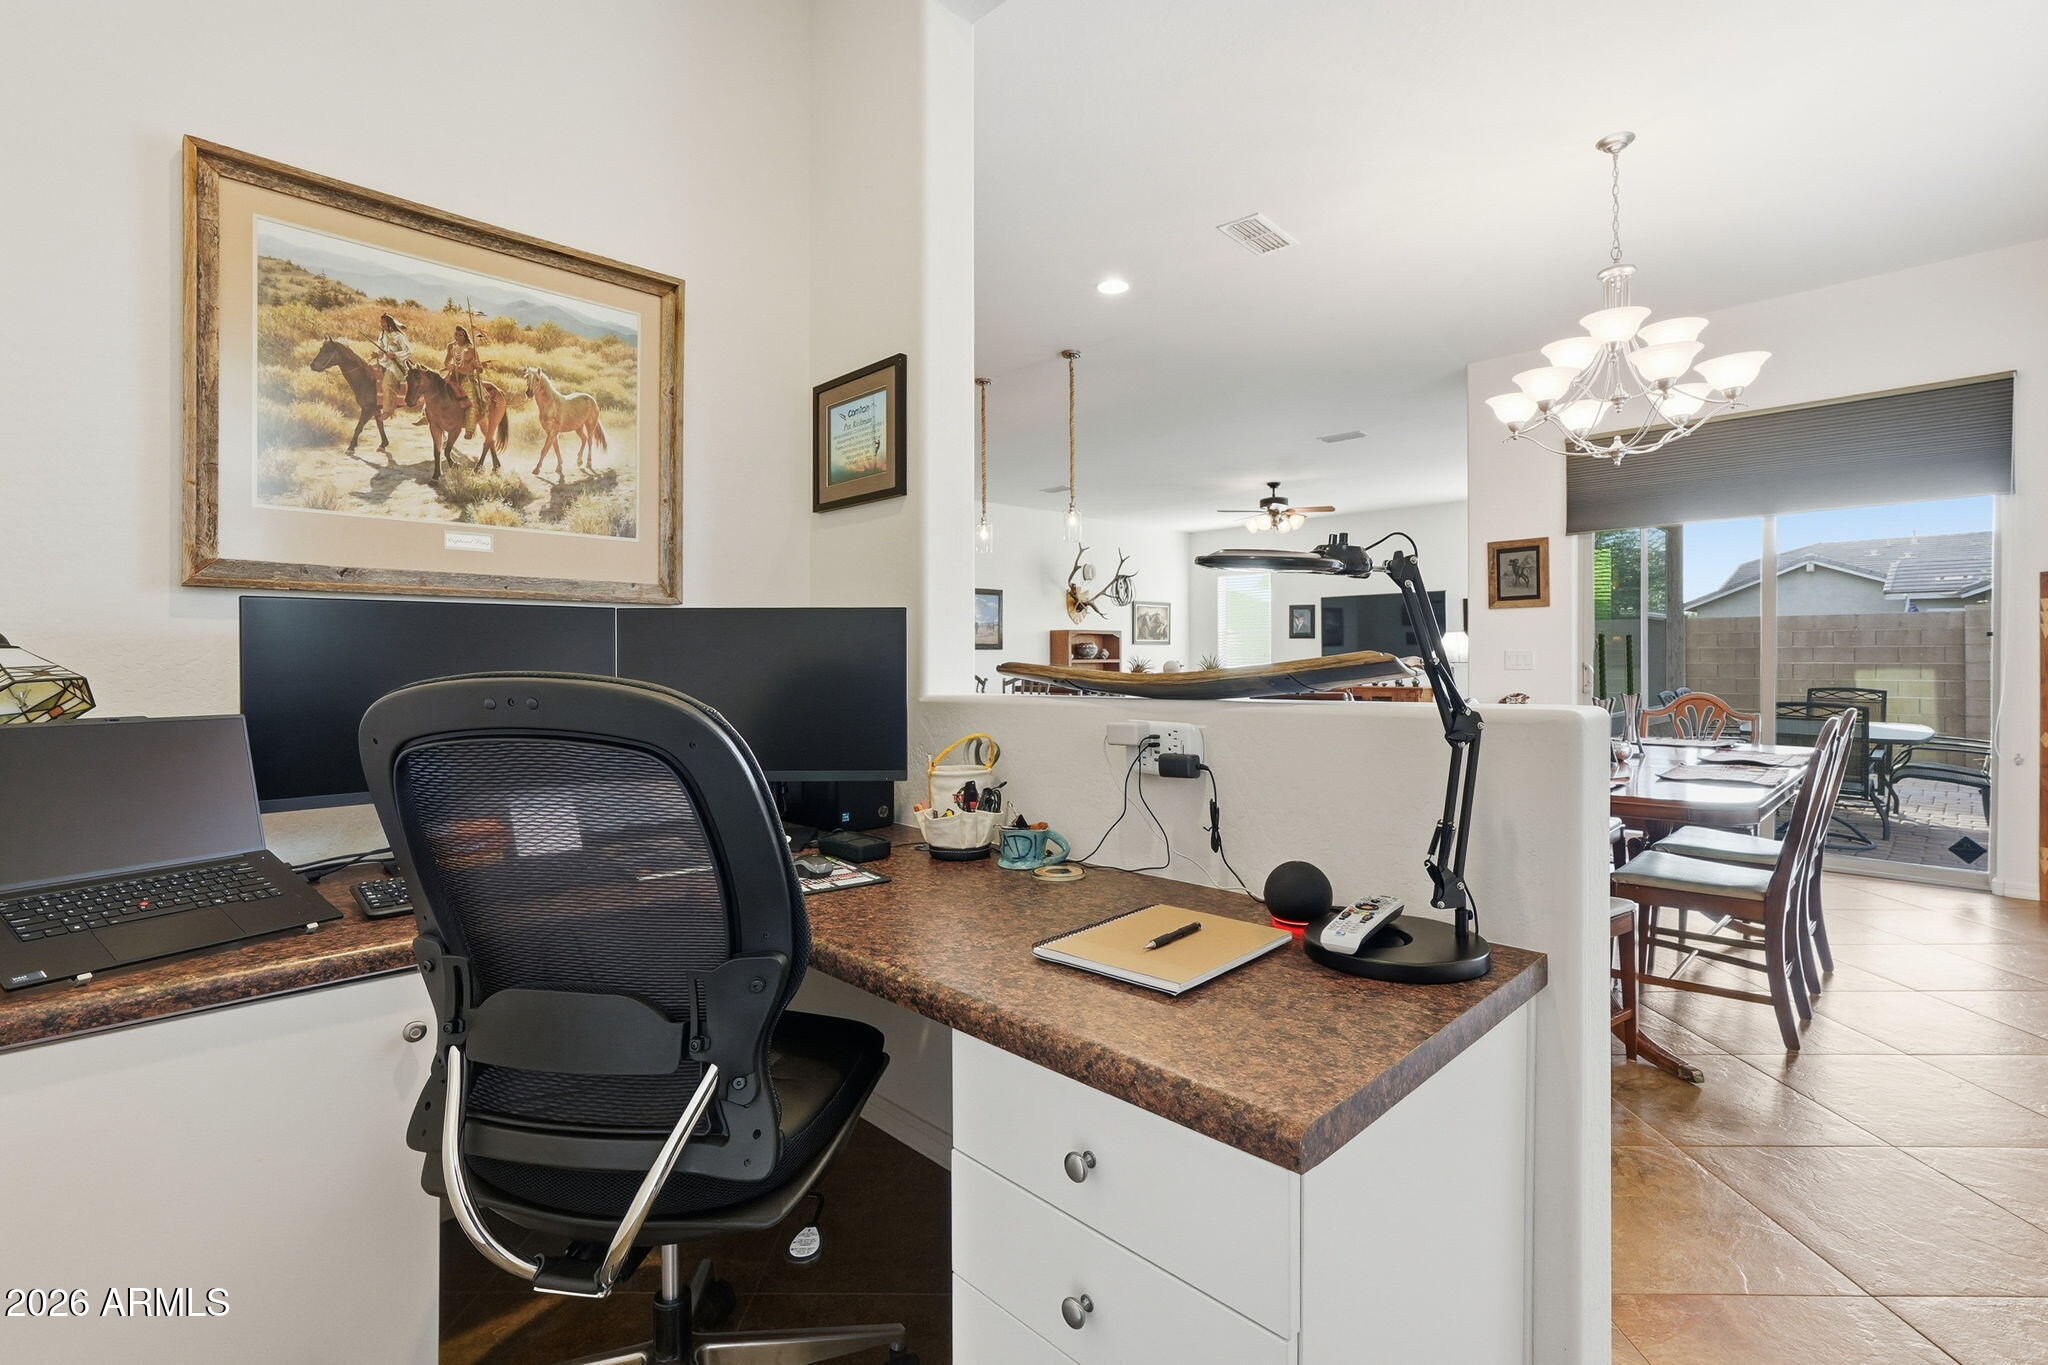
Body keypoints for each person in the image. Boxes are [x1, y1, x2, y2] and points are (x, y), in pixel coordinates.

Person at [442, 325, 484, 439]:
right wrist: (449, 365)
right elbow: (446, 362)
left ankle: (469, 430)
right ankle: (426, 416)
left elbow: (480, 369)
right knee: (437, 392)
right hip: (452, 378)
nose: (458, 337)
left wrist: (476, 365)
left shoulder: (471, 349)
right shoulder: (450, 346)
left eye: (461, 335)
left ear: (465, 336)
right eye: (456, 334)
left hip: (466, 379)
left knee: (471, 402)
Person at [369, 313, 411, 420]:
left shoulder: (399, 336)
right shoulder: (382, 335)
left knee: (386, 383)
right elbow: (381, 348)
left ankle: (387, 411)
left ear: (389, 323)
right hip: (385, 363)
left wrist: (395, 355)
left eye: (384, 322)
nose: (382, 324)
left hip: (397, 366)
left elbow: (408, 351)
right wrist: (376, 353)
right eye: (381, 322)